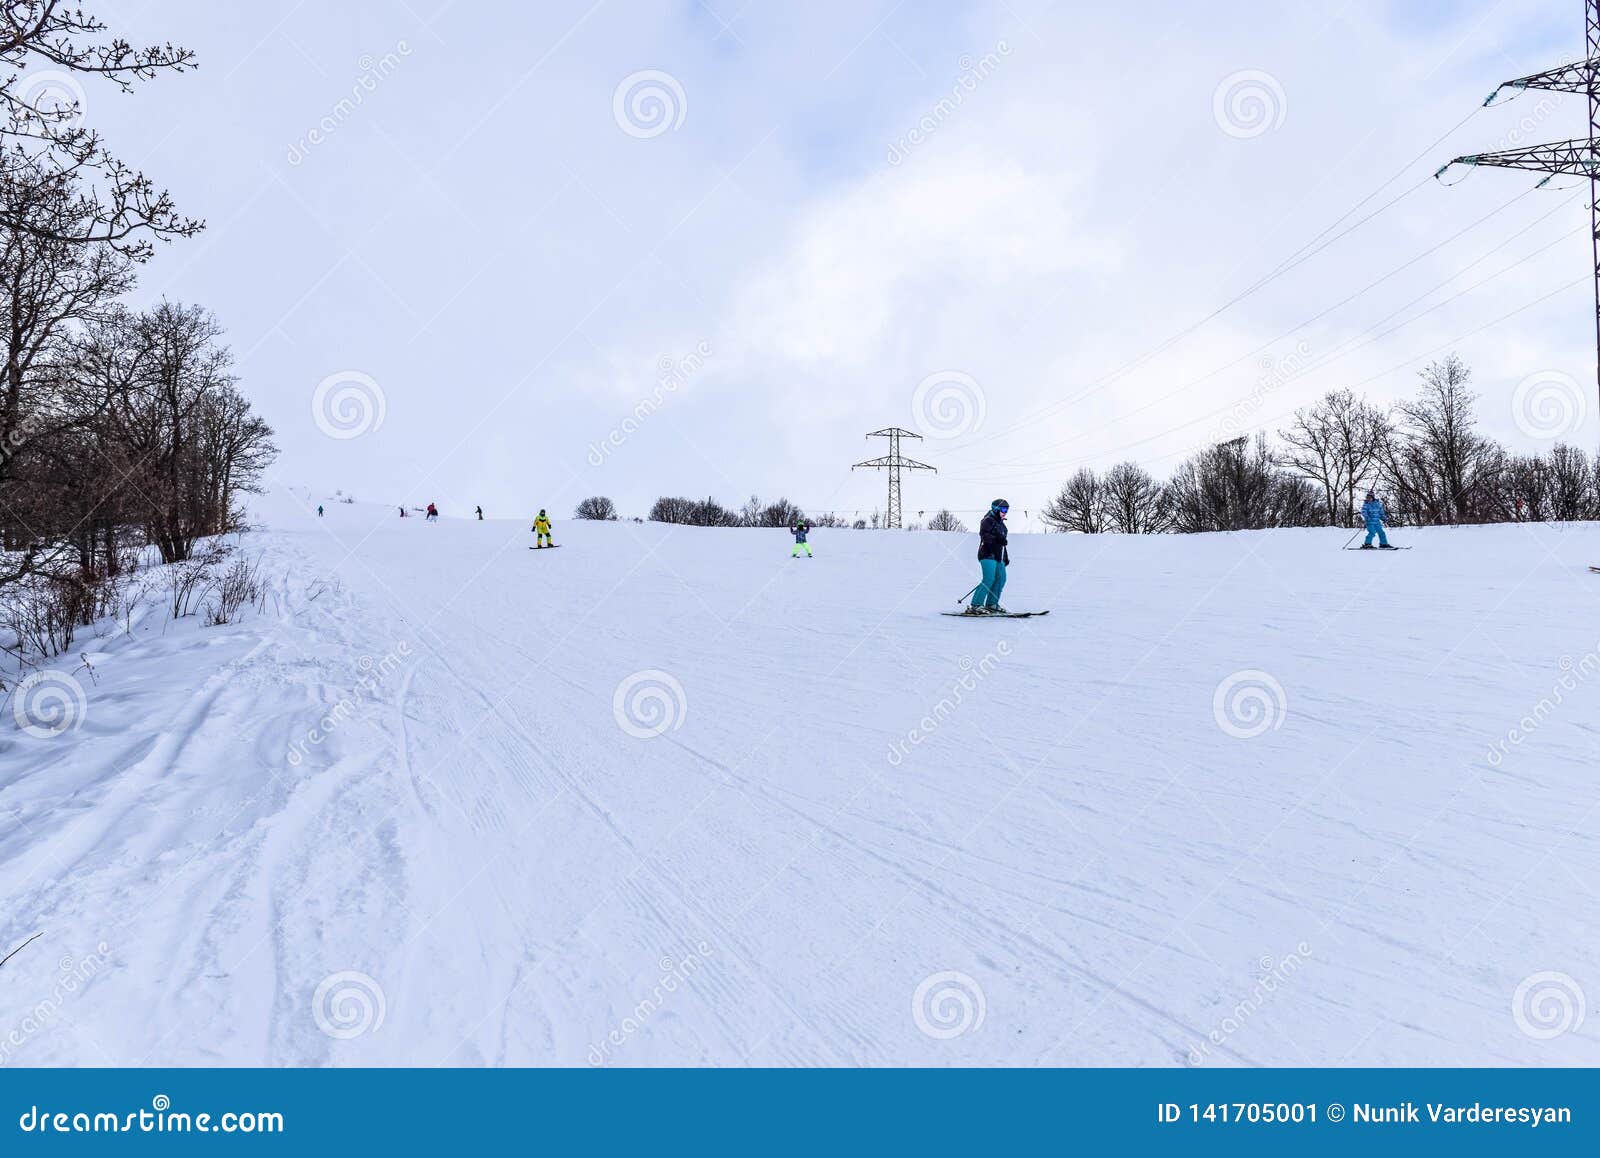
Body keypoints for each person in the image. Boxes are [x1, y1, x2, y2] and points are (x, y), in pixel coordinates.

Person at [967, 498, 1010, 614]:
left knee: (1001, 578)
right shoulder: (987, 520)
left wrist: (1005, 557)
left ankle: (992, 604)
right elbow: (984, 536)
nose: (1005, 512)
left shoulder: (1002, 526)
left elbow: (1002, 544)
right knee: (989, 578)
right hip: (987, 554)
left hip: (998, 556)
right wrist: (998, 539)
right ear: (995, 509)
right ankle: (976, 605)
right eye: (1003, 509)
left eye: (1007, 510)